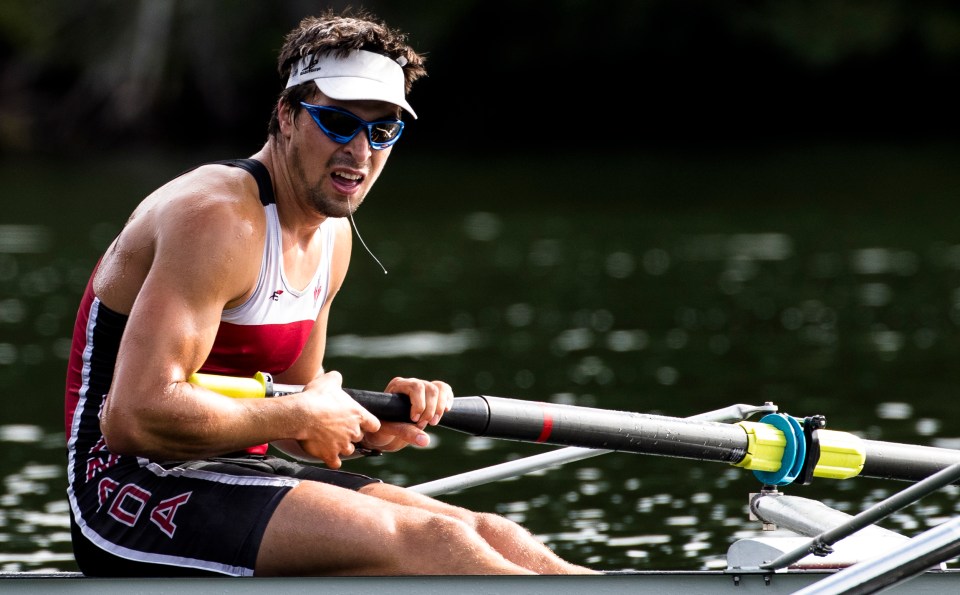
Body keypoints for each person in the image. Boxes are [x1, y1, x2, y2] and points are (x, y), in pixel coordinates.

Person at [63, 9, 596, 577]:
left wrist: (370, 430)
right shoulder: (215, 217)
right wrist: (303, 412)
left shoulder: (332, 236)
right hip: (124, 487)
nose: (361, 150)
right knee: (436, 542)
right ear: (287, 115)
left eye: (383, 129)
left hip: (237, 473)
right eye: (339, 122)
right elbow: (133, 418)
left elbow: (294, 419)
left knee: (493, 533)